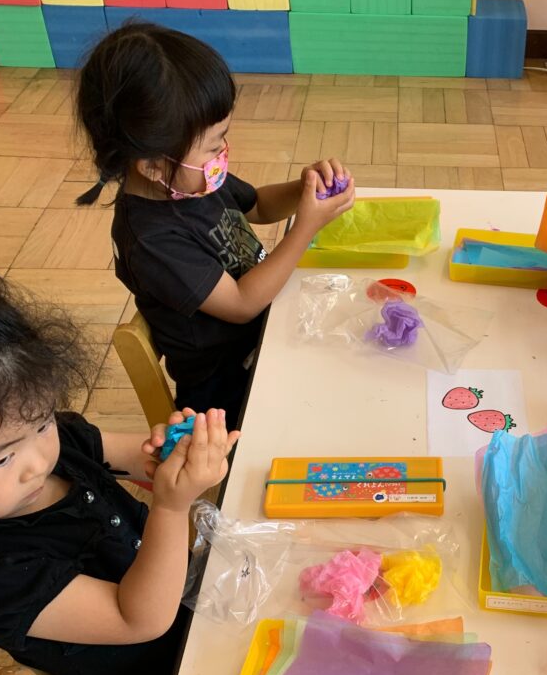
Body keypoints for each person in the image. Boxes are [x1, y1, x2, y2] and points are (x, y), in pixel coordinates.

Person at [0, 273, 239, 675]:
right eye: (1, 457)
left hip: (201, 627)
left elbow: (135, 457)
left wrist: (177, 449)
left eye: (40, 425)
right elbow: (138, 620)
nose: (37, 462)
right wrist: (171, 508)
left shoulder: (58, 448)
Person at [75, 22, 355, 426]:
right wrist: (304, 229)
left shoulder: (191, 182)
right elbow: (241, 304)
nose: (222, 151)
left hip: (266, 333)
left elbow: (257, 204)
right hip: (226, 388)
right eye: (211, 145)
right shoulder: (152, 240)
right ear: (153, 165)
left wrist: (303, 187)